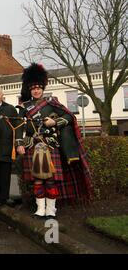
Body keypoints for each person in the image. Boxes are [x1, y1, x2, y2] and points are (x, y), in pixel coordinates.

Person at [16, 63, 93, 219]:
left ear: (43, 88)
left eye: (38, 88)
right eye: (33, 88)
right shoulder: (24, 107)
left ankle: (51, 210)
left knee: (51, 180)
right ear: (30, 90)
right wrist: (19, 144)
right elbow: (19, 127)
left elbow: (69, 116)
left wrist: (54, 122)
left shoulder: (52, 102)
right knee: (36, 180)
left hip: (50, 145)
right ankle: (40, 209)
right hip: (32, 145)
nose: (36, 90)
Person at [0, 86, 18, 207]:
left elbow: (16, 128)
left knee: (4, 175)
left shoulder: (10, 109)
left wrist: (16, 144)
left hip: (5, 147)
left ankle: (4, 198)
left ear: (2, 95)